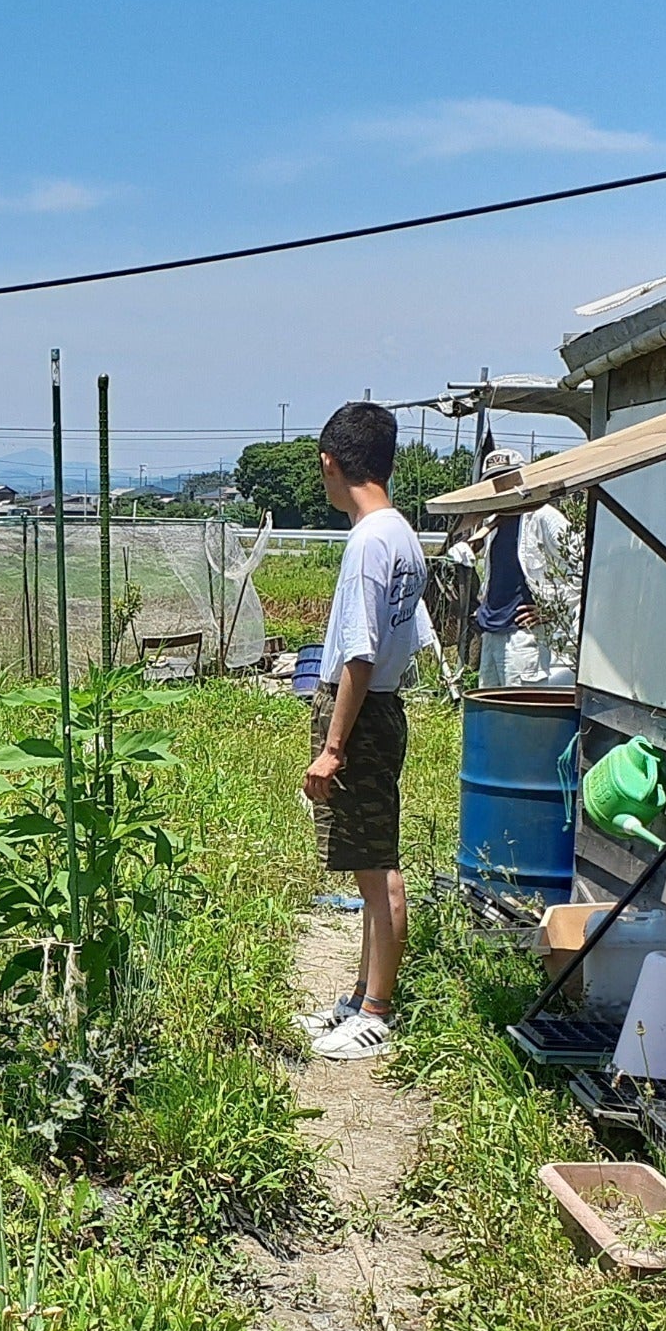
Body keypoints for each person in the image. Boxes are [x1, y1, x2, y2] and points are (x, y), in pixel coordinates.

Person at [296, 403, 430, 1061]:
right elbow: (415, 636)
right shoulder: (402, 535)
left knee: (378, 869)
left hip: (362, 713)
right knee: (366, 863)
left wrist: (332, 747)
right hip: (381, 709)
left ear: (331, 462)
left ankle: (377, 1012)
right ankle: (358, 997)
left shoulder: (369, 543)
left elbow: (359, 654)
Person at [462, 448, 581, 690]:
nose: (503, 487)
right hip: (492, 630)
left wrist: (552, 609)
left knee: (519, 704)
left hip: (523, 634)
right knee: (489, 704)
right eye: (495, 481)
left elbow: (583, 563)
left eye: (508, 478)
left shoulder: (542, 516)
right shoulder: (492, 521)